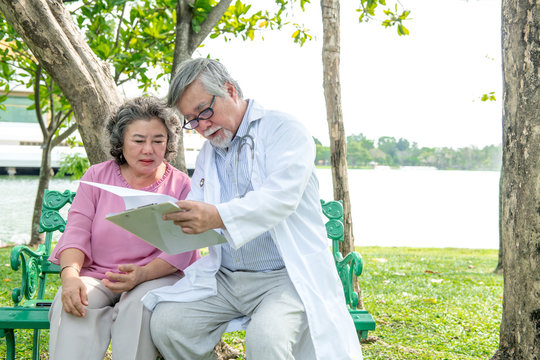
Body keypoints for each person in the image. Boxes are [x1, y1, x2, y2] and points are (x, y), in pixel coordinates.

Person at [143, 58, 362, 359]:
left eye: (205, 111)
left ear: (230, 90)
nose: (202, 126)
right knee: (169, 324)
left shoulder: (283, 130)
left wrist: (217, 216)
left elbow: (280, 197)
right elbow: (201, 209)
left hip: (284, 276)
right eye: (191, 120)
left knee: (266, 339)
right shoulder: (209, 153)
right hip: (226, 278)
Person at [48, 96, 201, 360]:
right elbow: (76, 231)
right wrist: (70, 276)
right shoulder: (96, 176)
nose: (148, 150)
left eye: (158, 141)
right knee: (72, 301)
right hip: (98, 274)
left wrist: (142, 274)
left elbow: (182, 250)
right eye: (139, 140)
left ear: (169, 143)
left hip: (155, 277)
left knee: (138, 309)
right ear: (121, 142)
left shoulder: (182, 185)